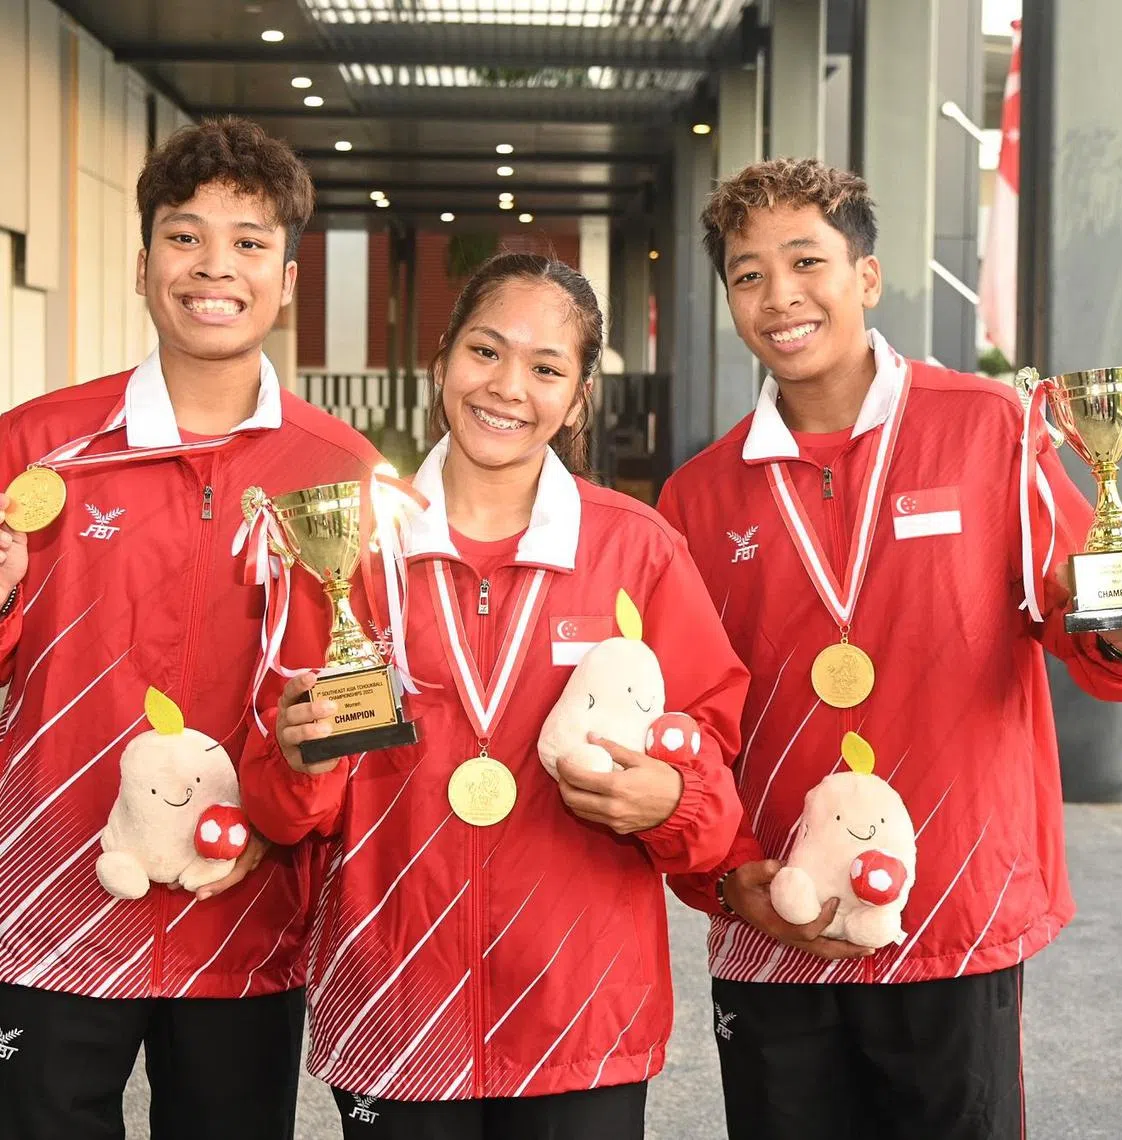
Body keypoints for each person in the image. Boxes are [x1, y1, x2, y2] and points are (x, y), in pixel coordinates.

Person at [656, 156, 1122, 1140]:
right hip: (775, 916)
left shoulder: (992, 430)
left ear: (865, 279)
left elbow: (1093, 644)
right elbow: (686, 726)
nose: (780, 296)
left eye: (807, 262)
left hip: (955, 916)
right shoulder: (698, 497)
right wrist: (725, 874)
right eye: (748, 275)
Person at [239, 252, 751, 1140]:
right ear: (442, 361)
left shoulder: (638, 550)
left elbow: (708, 760)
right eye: (486, 351)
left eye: (547, 368)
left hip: (578, 1007)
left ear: (580, 395)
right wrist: (297, 755)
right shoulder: (353, 545)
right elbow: (285, 813)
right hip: (396, 1006)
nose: (509, 387)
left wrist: (673, 799)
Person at [0, 118, 382, 1139]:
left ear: (288, 279)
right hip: (52, 904)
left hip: (246, 910)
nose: (216, 266)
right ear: (142, 264)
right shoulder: (38, 448)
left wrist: (290, 811)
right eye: (186, 235)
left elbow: (364, 694)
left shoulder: (341, 469)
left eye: (251, 242)